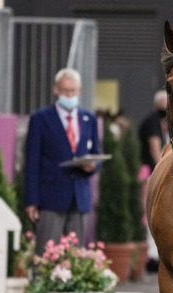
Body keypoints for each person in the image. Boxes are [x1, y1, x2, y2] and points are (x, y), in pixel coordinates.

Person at [25, 68, 101, 256]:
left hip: (79, 196)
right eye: (65, 91)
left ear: (79, 91)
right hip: (50, 196)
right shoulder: (40, 119)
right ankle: (40, 284)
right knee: (45, 253)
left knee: (76, 256)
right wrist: (32, 201)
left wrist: (92, 166)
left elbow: (96, 152)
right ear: (56, 90)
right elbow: (32, 162)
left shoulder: (89, 119)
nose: (69, 95)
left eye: (73, 91)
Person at [138, 90, 168, 272]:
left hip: (153, 171)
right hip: (150, 173)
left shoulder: (161, 123)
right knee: (151, 214)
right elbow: (155, 149)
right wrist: (163, 170)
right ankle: (151, 257)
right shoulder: (151, 122)